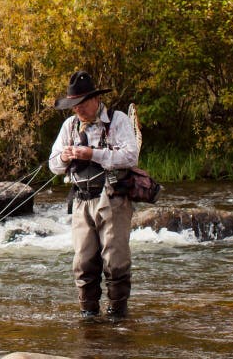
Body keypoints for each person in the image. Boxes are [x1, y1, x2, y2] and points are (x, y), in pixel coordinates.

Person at [49, 70, 140, 319]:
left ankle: (117, 316)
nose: (77, 110)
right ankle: (88, 318)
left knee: (115, 263)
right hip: (80, 202)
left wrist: (93, 154)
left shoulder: (117, 120)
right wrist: (64, 157)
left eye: (80, 104)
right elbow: (53, 166)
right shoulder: (69, 126)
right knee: (83, 264)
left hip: (113, 199)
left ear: (94, 99)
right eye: (73, 106)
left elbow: (131, 156)